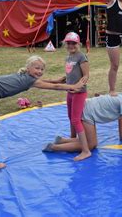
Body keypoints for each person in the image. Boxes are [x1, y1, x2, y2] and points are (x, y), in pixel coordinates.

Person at [43, 83, 122, 155]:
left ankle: (62, 140)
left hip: (87, 107)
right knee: (91, 145)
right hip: (87, 112)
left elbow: (121, 118)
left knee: (91, 141)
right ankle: (54, 147)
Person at [43, 32, 90, 161]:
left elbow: (86, 76)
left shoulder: (81, 56)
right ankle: (72, 140)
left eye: (73, 43)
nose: (71, 45)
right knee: (71, 117)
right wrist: (58, 80)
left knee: (76, 119)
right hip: (69, 91)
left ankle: (85, 150)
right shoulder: (69, 57)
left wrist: (77, 87)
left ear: (78, 44)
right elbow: (69, 75)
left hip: (79, 92)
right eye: (68, 43)